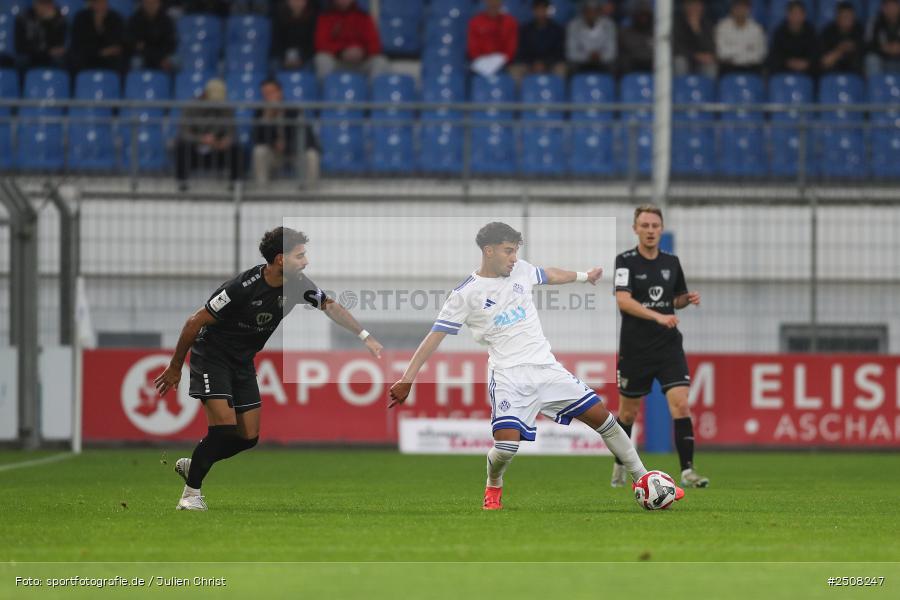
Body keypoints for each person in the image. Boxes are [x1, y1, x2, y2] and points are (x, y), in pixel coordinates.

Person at [389, 221, 683, 511]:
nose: (514, 257)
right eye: (508, 251)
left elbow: (550, 275)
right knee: (506, 448)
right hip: (508, 376)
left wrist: (583, 276)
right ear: (488, 251)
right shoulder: (465, 294)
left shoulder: (521, 270)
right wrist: (407, 378)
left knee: (605, 420)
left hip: (546, 369)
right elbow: (434, 336)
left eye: (516, 251)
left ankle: (643, 479)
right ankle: (494, 484)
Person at [155, 227, 383, 511]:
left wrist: (365, 337)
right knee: (224, 429)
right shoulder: (241, 287)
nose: (306, 261)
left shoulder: (297, 284)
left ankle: (198, 463)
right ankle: (190, 496)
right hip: (212, 356)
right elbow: (193, 322)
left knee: (248, 437)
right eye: (300, 256)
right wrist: (175, 366)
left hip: (242, 362)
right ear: (280, 259)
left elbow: (330, 306)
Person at [611, 205, 709, 489]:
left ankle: (688, 471)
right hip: (635, 348)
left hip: (668, 347)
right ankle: (620, 462)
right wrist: (658, 315)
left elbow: (674, 299)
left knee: (681, 405)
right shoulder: (625, 261)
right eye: (645, 225)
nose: (650, 230)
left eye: (655, 225)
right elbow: (623, 301)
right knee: (627, 414)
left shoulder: (671, 262)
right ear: (636, 229)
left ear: (661, 229)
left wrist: (685, 300)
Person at [175, 78, 242, 190]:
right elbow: (184, 133)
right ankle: (182, 182)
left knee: (236, 147)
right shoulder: (190, 107)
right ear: (205, 94)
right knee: (181, 145)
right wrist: (201, 139)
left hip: (218, 148)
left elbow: (232, 132)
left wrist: (226, 140)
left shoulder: (227, 108)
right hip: (196, 148)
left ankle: (235, 183)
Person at [251, 78, 320, 185]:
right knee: (259, 151)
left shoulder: (293, 110)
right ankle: (262, 188)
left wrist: (287, 145)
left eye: (271, 93)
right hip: (274, 153)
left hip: (294, 151)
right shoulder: (260, 113)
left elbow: (308, 137)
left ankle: (311, 190)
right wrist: (267, 120)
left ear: (280, 92)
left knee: (311, 154)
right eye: (265, 94)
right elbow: (257, 139)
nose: (269, 97)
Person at [313, 0, 388, 80]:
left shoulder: (364, 17)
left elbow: (376, 44)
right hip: (337, 61)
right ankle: (326, 91)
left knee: (380, 61)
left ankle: (373, 92)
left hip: (361, 62)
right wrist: (341, 51)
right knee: (321, 59)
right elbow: (320, 44)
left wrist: (363, 52)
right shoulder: (325, 17)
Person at [510, 0, 567, 81]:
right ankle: (523, 93)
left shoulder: (557, 30)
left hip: (551, 64)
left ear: (547, 11)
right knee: (515, 70)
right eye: (538, 10)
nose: (540, 13)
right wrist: (532, 64)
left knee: (561, 69)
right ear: (533, 11)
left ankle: (557, 93)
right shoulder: (525, 30)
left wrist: (545, 64)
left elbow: (559, 53)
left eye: (543, 9)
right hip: (529, 64)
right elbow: (521, 52)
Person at [69, 0, 127, 73]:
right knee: (75, 60)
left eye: (104, 2)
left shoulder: (115, 18)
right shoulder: (81, 18)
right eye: (98, 3)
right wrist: (100, 52)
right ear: (92, 4)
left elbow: (117, 43)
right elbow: (79, 43)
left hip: (110, 58)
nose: (101, 5)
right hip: (88, 56)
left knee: (121, 62)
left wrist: (101, 27)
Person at [467, 0, 519, 75]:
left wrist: (499, 61)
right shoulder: (475, 22)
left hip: (505, 64)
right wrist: (484, 61)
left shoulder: (510, 22)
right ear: (486, 2)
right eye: (491, 1)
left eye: (496, 1)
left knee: (515, 74)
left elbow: (511, 48)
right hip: (480, 63)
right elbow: (473, 48)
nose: (493, 3)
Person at [768, 0, 819, 76]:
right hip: (784, 69)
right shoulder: (779, 32)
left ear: (804, 15)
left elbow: (815, 53)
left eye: (799, 14)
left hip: (807, 70)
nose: (796, 17)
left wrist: (806, 63)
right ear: (788, 15)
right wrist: (788, 63)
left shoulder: (811, 32)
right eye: (794, 13)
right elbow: (775, 55)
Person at [14, 0, 68, 71]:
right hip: (30, 55)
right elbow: (20, 47)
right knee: (21, 60)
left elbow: (58, 45)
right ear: (35, 4)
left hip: (50, 56)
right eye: (42, 3)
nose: (45, 7)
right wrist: (46, 52)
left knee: (60, 60)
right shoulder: (22, 18)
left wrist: (48, 22)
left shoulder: (59, 18)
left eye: (47, 4)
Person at [715, 0, 766, 74]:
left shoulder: (756, 28)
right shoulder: (722, 26)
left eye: (744, 7)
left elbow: (760, 53)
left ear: (749, 10)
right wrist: (746, 49)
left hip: (751, 67)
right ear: (732, 9)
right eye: (737, 7)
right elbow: (721, 52)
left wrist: (733, 50)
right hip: (728, 66)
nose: (740, 10)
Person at [566, 0, 617, 73]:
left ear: (599, 12)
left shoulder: (609, 25)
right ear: (583, 12)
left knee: (614, 66)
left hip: (603, 62)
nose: (592, 15)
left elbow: (611, 52)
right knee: (571, 66)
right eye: (588, 11)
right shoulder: (573, 25)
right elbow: (571, 53)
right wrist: (588, 56)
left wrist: (600, 56)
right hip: (581, 62)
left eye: (595, 11)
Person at [126, 0, 177, 71]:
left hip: (162, 54)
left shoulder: (166, 21)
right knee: (135, 62)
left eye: (153, 3)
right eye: (147, 3)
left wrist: (160, 56)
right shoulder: (135, 20)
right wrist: (157, 58)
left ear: (159, 4)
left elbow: (170, 44)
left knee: (176, 61)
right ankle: (137, 81)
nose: (150, 6)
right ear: (143, 4)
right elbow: (133, 43)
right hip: (143, 56)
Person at [673, 0, 718, 78]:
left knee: (711, 63)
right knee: (680, 61)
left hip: (701, 61)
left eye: (697, 5)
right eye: (691, 5)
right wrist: (695, 56)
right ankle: (681, 87)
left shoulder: (707, 24)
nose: (694, 8)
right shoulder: (677, 23)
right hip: (685, 58)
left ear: (702, 7)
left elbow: (710, 48)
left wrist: (697, 30)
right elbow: (677, 47)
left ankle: (707, 89)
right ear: (685, 6)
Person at [271, 0, 318, 71]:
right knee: (274, 64)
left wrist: (302, 59)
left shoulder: (312, 18)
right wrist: (283, 58)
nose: (297, 3)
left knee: (310, 65)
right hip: (283, 55)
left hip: (305, 56)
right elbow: (276, 43)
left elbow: (312, 44)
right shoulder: (278, 17)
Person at [820, 1, 865, 75]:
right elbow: (825, 61)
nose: (848, 20)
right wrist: (840, 50)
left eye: (850, 16)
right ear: (837, 17)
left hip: (855, 71)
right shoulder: (828, 32)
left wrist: (853, 47)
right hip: (833, 71)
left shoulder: (859, 30)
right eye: (845, 17)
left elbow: (865, 51)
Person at [618, 0, 654, 73]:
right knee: (624, 62)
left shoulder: (656, 32)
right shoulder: (626, 32)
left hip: (652, 64)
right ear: (635, 15)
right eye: (641, 15)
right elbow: (631, 50)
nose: (643, 18)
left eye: (645, 15)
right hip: (633, 65)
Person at [866, 0, 900, 76]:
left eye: (894, 6)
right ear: (883, 8)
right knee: (871, 59)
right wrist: (884, 48)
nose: (891, 10)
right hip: (882, 59)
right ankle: (876, 86)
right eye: (888, 7)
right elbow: (868, 44)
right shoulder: (875, 21)